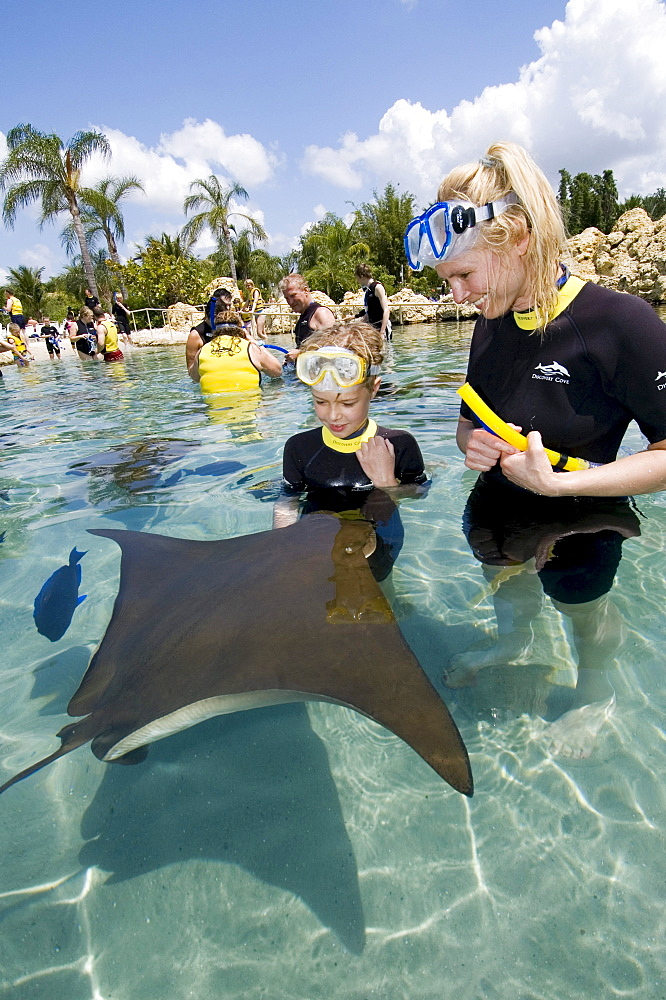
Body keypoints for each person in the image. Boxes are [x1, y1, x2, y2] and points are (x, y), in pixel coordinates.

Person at [405, 140, 666, 756]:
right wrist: (470, 441)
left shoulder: (618, 323)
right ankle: (514, 640)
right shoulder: (490, 320)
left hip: (580, 512)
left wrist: (561, 485)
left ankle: (596, 688)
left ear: (516, 235)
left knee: (582, 612)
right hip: (502, 507)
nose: (458, 296)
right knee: (507, 577)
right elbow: (471, 417)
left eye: (464, 275)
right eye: (448, 282)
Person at [274, 320, 427, 582]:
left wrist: (387, 483)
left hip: (380, 536)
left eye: (348, 402)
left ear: (373, 389)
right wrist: (283, 543)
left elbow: (419, 493)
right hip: (318, 540)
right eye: (320, 401)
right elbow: (288, 500)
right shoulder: (299, 447)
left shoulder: (399, 444)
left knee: (372, 582)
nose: (333, 415)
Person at [188, 307, 283, 391]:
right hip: (249, 408)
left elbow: (195, 378)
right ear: (240, 329)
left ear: (215, 330)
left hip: (214, 409)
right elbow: (277, 371)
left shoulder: (202, 351)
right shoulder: (251, 348)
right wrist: (254, 341)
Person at [279, 274, 335, 361]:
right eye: (287, 298)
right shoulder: (302, 318)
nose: (290, 302)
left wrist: (300, 353)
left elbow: (332, 346)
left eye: (293, 295)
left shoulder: (321, 313)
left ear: (305, 291)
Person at [185, 287, 234, 372]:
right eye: (225, 305)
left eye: (229, 305)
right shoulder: (196, 335)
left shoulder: (231, 328)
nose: (228, 309)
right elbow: (191, 370)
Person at [354, 263, 392, 340]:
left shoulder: (377, 287)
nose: (357, 280)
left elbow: (386, 310)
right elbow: (370, 312)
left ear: (361, 276)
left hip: (381, 327)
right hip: (373, 328)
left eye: (357, 278)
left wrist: (382, 332)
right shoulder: (368, 290)